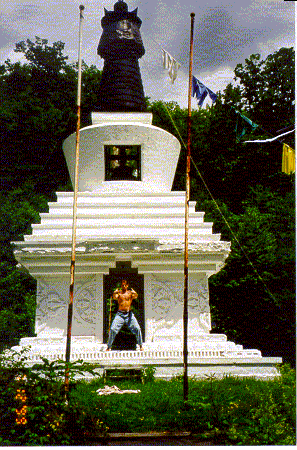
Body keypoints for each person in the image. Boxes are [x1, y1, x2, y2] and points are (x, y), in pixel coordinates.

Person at [106, 279, 143, 351]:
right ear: (121, 286)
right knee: (113, 329)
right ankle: (109, 346)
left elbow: (135, 296)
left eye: (125, 285)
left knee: (137, 328)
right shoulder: (119, 293)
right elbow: (114, 297)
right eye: (122, 285)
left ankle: (140, 345)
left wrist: (134, 292)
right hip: (120, 314)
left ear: (127, 285)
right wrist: (114, 293)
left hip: (129, 314)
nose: (124, 286)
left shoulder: (130, 293)